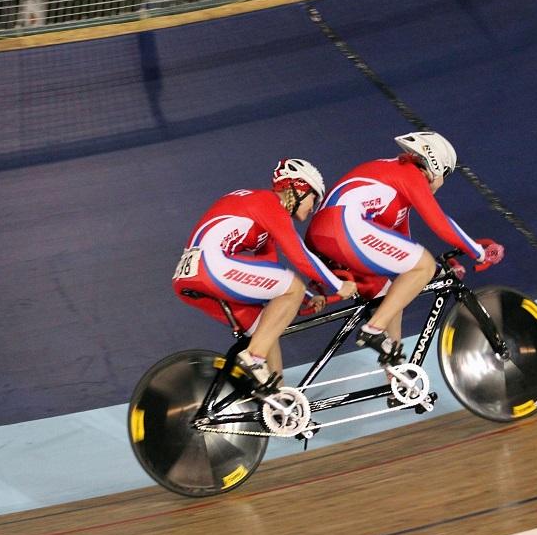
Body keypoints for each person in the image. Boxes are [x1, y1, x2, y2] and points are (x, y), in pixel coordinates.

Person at [305, 131, 505, 366]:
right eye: (446, 175)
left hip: (328, 234)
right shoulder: (409, 174)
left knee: (390, 298)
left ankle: (397, 374)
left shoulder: (397, 185)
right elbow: (440, 221)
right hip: (342, 227)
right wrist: (478, 252)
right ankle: (372, 330)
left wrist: (438, 269)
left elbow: (402, 248)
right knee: (422, 266)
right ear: (436, 164)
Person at [173, 158, 357, 395]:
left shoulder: (261, 211)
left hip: (191, 275)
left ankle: (278, 402)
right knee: (290, 290)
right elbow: (299, 255)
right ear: (298, 188)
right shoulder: (268, 203)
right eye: (314, 198)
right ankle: (252, 357)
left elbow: (268, 270)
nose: (313, 208)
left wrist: (308, 296)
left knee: (267, 329)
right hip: (212, 265)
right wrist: (337, 285)